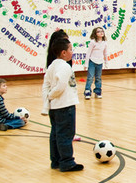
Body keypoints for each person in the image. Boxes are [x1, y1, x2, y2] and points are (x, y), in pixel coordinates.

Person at [45, 38, 83, 172]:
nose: (72, 52)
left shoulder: (52, 66)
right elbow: (60, 87)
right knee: (65, 134)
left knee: (56, 134)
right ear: (63, 53)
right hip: (65, 106)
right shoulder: (64, 66)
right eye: (70, 49)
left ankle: (55, 160)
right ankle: (67, 162)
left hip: (55, 107)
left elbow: (47, 84)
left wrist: (49, 99)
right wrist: (51, 95)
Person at [41, 29, 70, 117]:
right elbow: (56, 86)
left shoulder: (66, 64)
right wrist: (49, 98)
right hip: (61, 105)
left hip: (63, 101)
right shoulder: (55, 65)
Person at [84, 27, 107, 100]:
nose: (101, 32)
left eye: (102, 31)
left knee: (98, 77)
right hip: (92, 62)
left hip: (100, 62)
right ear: (95, 34)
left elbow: (105, 53)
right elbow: (88, 53)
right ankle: (87, 91)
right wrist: (86, 64)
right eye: (98, 31)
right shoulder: (93, 42)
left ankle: (98, 91)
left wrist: (106, 62)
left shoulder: (104, 43)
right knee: (90, 77)